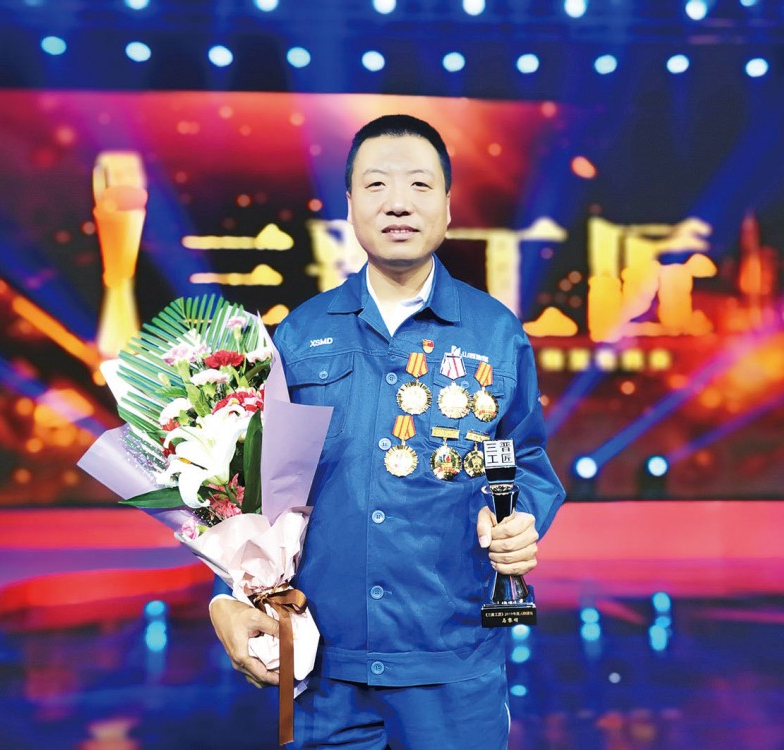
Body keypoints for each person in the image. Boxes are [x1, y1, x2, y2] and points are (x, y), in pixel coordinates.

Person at [209, 114, 565, 749]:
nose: (398, 202)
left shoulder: (495, 333)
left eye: (420, 184)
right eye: (376, 184)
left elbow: (525, 459)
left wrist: (521, 520)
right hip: (324, 662)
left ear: (448, 207)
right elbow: (253, 491)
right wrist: (225, 598)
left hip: (452, 660)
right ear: (350, 205)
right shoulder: (300, 334)